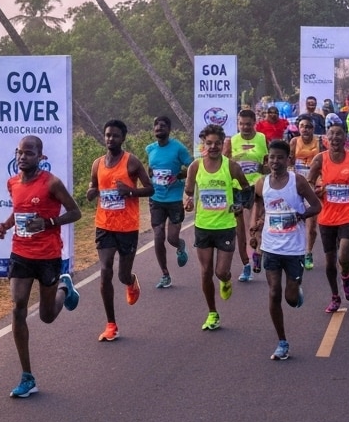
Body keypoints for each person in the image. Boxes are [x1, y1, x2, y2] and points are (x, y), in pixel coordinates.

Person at [0, 135, 83, 398]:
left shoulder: (52, 183)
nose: (23, 157)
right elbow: (18, 211)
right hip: (20, 253)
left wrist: (48, 223)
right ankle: (27, 376)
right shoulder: (12, 183)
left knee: (46, 316)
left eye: (29, 153)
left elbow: (75, 212)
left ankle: (64, 289)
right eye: (20, 153)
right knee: (18, 306)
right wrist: (5, 225)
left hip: (48, 255)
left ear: (40, 157)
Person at [249, 140, 321, 360]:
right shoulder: (262, 183)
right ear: (267, 159)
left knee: (290, 297)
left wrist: (301, 216)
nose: (275, 161)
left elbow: (317, 206)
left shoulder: (297, 182)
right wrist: (255, 228)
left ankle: (295, 289)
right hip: (271, 247)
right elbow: (258, 205)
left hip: (294, 248)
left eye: (280, 157)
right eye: (272, 157)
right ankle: (282, 342)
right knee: (273, 293)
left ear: (288, 160)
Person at [87, 120, 155, 342]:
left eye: (115, 136)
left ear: (122, 138)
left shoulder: (131, 162)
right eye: (107, 135)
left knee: (121, 274)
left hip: (127, 227)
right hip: (104, 225)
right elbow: (93, 186)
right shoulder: (97, 163)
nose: (110, 139)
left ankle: (130, 280)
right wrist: (91, 192)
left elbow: (150, 188)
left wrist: (131, 191)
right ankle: (111, 325)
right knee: (105, 271)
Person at [184, 124, 251, 331]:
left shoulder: (231, 167)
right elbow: (187, 192)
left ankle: (226, 279)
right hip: (203, 226)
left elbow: (247, 190)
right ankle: (213, 313)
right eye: (209, 143)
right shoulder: (195, 167)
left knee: (221, 271)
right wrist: (187, 201)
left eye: (217, 143)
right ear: (204, 144)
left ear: (223, 145)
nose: (213, 147)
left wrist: (239, 205)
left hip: (225, 225)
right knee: (205, 272)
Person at [307, 123, 349, 313]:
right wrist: (315, 192)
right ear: (326, 138)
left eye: (339, 134)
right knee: (329, 262)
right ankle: (335, 296)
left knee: (344, 256)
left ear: (345, 138)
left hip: (348, 214)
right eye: (331, 134)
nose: (335, 138)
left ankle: (346, 276)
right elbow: (309, 181)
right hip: (326, 217)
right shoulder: (320, 159)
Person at [145, 115, 193, 290]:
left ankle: (180, 245)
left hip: (174, 200)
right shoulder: (150, 149)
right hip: (157, 199)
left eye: (162, 125)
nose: (159, 128)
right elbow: (151, 169)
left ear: (169, 129)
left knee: (172, 238)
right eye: (156, 125)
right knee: (158, 236)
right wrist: (150, 175)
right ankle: (165, 274)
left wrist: (179, 176)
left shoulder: (178, 148)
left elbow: (192, 167)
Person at [224, 109, 268, 282]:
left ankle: (257, 253)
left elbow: (268, 164)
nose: (245, 127)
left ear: (254, 123)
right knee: (240, 230)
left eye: (248, 124)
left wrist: (263, 171)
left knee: (255, 224)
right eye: (241, 124)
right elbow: (225, 165)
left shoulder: (262, 139)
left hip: (256, 187)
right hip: (236, 189)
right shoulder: (232, 141)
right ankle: (246, 265)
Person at [291, 116, 326, 270]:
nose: (305, 129)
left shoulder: (320, 142)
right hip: (297, 187)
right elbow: (289, 162)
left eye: (308, 126)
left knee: (311, 226)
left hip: (314, 187)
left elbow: (325, 164)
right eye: (302, 126)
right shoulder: (294, 142)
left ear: (313, 129)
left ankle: (308, 252)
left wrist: (322, 183)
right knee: (295, 222)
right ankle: (295, 251)